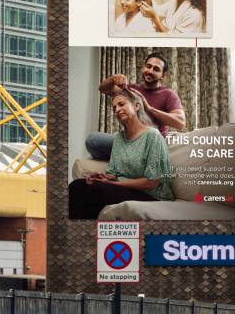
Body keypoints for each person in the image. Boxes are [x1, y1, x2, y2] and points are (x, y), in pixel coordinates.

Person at [69, 88, 174, 219]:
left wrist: (113, 184)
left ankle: (88, 235)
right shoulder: (119, 138)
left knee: (96, 191)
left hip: (152, 195)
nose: (117, 110)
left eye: (121, 104)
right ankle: (73, 233)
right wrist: (102, 177)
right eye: (114, 108)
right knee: (76, 186)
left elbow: (151, 182)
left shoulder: (153, 136)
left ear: (136, 106)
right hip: (127, 189)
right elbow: (113, 174)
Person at [85, 51, 185, 161]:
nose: (150, 71)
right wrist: (113, 78)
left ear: (163, 75)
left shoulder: (168, 94)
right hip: (128, 141)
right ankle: (125, 161)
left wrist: (149, 108)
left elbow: (180, 123)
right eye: (148, 66)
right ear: (143, 68)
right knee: (92, 140)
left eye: (156, 69)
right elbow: (103, 88)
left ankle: (128, 161)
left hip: (150, 145)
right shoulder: (132, 90)